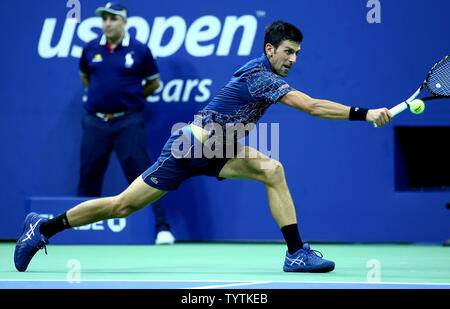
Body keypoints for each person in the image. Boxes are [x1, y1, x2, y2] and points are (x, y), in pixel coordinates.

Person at [14, 20, 393, 272]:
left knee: (272, 170)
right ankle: (43, 227)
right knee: (123, 205)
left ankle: (296, 253)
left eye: (297, 53)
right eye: (287, 52)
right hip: (189, 147)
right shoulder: (261, 77)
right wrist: (366, 113)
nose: (292, 59)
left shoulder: (259, 69)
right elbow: (311, 107)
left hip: (218, 145)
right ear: (270, 49)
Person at [77, 2, 175, 244]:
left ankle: (162, 228)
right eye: (105, 19)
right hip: (96, 122)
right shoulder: (90, 49)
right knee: (89, 174)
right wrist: (105, 99)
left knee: (144, 175)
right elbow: (85, 77)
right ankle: (80, 230)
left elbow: (153, 83)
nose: (108, 23)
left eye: (113, 18)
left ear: (124, 22)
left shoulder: (140, 50)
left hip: (128, 121)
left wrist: (128, 98)